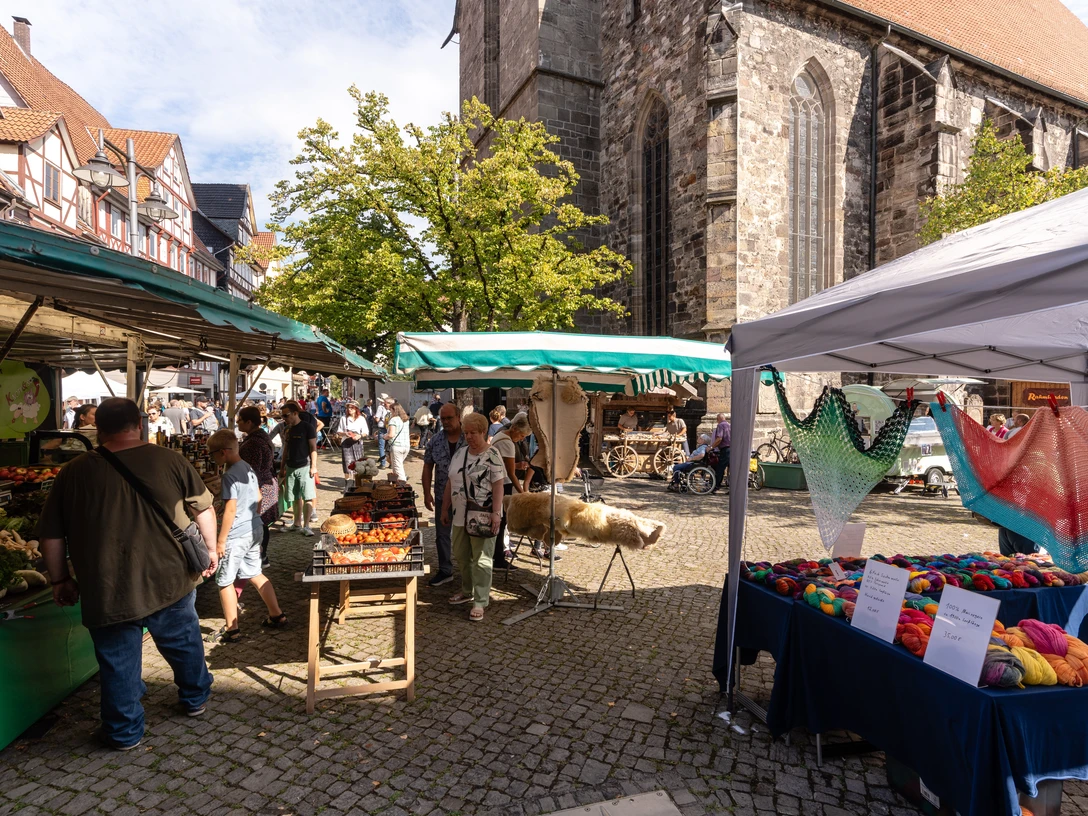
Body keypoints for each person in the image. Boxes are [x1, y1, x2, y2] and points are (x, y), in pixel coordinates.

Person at [39, 398, 217, 750]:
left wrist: (60, 580)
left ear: (98, 428)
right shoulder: (169, 459)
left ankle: (123, 732)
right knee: (183, 640)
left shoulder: (73, 470)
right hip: (168, 576)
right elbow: (204, 509)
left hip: (107, 584)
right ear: (139, 423)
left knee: (118, 660)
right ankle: (195, 698)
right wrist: (211, 551)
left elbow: (51, 536)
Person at [206, 430, 287, 643]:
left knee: (225, 581)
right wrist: (254, 518)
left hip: (236, 535)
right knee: (255, 573)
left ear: (222, 452)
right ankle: (276, 614)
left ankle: (232, 629)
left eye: (212, 454)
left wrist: (221, 541)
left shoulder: (230, 475)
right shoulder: (248, 468)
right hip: (254, 529)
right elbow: (259, 497)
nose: (212, 458)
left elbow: (230, 510)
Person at [441, 412, 504, 622]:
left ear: (483, 432)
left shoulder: (493, 454)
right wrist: (444, 508)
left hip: (483, 514)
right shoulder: (460, 453)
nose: (469, 436)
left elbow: (498, 486)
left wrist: (497, 514)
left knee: (482, 559)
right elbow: (451, 481)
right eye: (466, 432)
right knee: (460, 554)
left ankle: (480, 600)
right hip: (460, 514)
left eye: (473, 433)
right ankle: (467, 590)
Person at [423, 403, 465, 587]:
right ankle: (445, 570)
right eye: (443, 419)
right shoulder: (435, 440)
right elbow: (427, 467)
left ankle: (468, 571)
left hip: (468, 497)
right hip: (442, 495)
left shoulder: (470, 437)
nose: (446, 422)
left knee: (467, 534)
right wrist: (426, 493)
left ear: (458, 417)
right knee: (442, 534)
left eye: (450, 418)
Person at [236, 406, 279, 567]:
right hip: (265, 483)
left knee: (258, 523)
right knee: (261, 523)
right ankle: (262, 556)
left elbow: (250, 471)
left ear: (248, 422)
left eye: (239, 420)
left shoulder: (252, 443)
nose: (237, 423)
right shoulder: (261, 436)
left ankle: (260, 556)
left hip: (260, 487)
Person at [489, 413, 532, 569]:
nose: (521, 439)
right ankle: (498, 558)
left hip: (497, 482)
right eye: (521, 435)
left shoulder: (500, 435)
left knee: (500, 522)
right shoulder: (507, 442)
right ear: (514, 428)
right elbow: (511, 473)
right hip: (503, 484)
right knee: (501, 521)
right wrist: (522, 492)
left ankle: (497, 554)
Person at [278, 400, 317, 536]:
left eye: (286, 415)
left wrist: (314, 466)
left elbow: (313, 448)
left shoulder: (307, 427)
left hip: (305, 466)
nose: (284, 418)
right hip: (290, 467)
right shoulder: (287, 429)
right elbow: (286, 449)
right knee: (294, 497)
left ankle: (306, 525)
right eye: (282, 416)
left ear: (295, 413)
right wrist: (282, 467)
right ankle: (296, 523)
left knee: (308, 496)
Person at [339, 400, 369, 479]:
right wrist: (345, 434)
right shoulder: (343, 418)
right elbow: (339, 431)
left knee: (358, 464)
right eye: (348, 408)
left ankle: (357, 483)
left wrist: (359, 435)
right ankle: (348, 483)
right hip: (346, 443)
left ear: (356, 409)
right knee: (347, 465)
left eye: (352, 408)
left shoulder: (361, 419)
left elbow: (366, 432)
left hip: (357, 443)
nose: (349, 409)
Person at [384, 401, 411, 480]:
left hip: (397, 446)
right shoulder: (406, 420)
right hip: (406, 446)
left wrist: (383, 437)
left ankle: (403, 486)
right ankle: (397, 485)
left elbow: (391, 435)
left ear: (394, 410)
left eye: (390, 410)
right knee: (398, 466)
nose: (390, 412)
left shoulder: (393, 420)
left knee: (398, 469)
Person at [710, 413, 731, 493]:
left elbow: (719, 438)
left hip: (725, 449)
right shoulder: (730, 425)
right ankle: (731, 488)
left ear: (718, 419)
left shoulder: (720, 426)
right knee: (731, 469)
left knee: (720, 468)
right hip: (733, 449)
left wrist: (711, 447)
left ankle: (716, 486)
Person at [373, 396, 391, 468]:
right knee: (389, 445)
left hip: (382, 427)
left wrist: (375, 417)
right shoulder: (391, 407)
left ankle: (383, 463)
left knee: (381, 446)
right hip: (390, 427)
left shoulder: (380, 407)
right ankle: (391, 463)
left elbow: (377, 419)